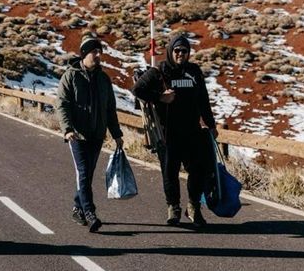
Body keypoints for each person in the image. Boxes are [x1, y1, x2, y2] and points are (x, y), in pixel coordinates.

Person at [132, 34, 217, 228]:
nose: (180, 54)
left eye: (184, 51)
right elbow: (137, 90)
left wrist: (211, 125)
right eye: (177, 51)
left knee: (198, 170)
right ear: (171, 51)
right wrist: (160, 97)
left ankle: (194, 207)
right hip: (167, 133)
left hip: (192, 131)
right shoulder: (160, 71)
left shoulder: (194, 72)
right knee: (170, 172)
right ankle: (173, 207)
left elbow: (203, 100)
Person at [56, 33, 124, 233]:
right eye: (94, 51)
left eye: (99, 52)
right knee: (84, 173)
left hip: (97, 135)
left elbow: (110, 108)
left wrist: (116, 134)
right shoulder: (71, 76)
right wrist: (67, 129)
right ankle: (89, 212)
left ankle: (77, 207)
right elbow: (62, 105)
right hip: (77, 136)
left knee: (86, 175)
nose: (97, 55)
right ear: (84, 54)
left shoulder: (103, 79)